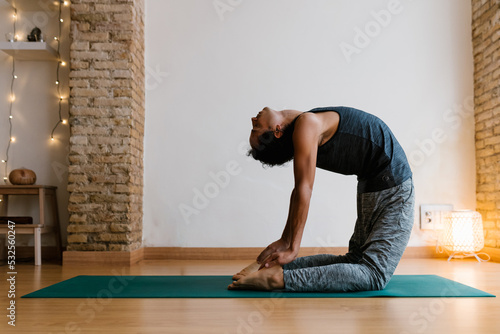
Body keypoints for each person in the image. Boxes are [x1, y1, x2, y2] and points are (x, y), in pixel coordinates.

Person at [228, 106, 415, 292]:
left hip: (376, 184)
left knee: (356, 260)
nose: (253, 119)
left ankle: (276, 269)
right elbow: (303, 189)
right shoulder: (307, 124)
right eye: (255, 128)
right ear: (276, 131)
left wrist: (288, 241)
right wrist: (291, 246)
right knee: (375, 275)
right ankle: (279, 278)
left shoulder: (303, 124)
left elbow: (300, 189)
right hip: (392, 186)